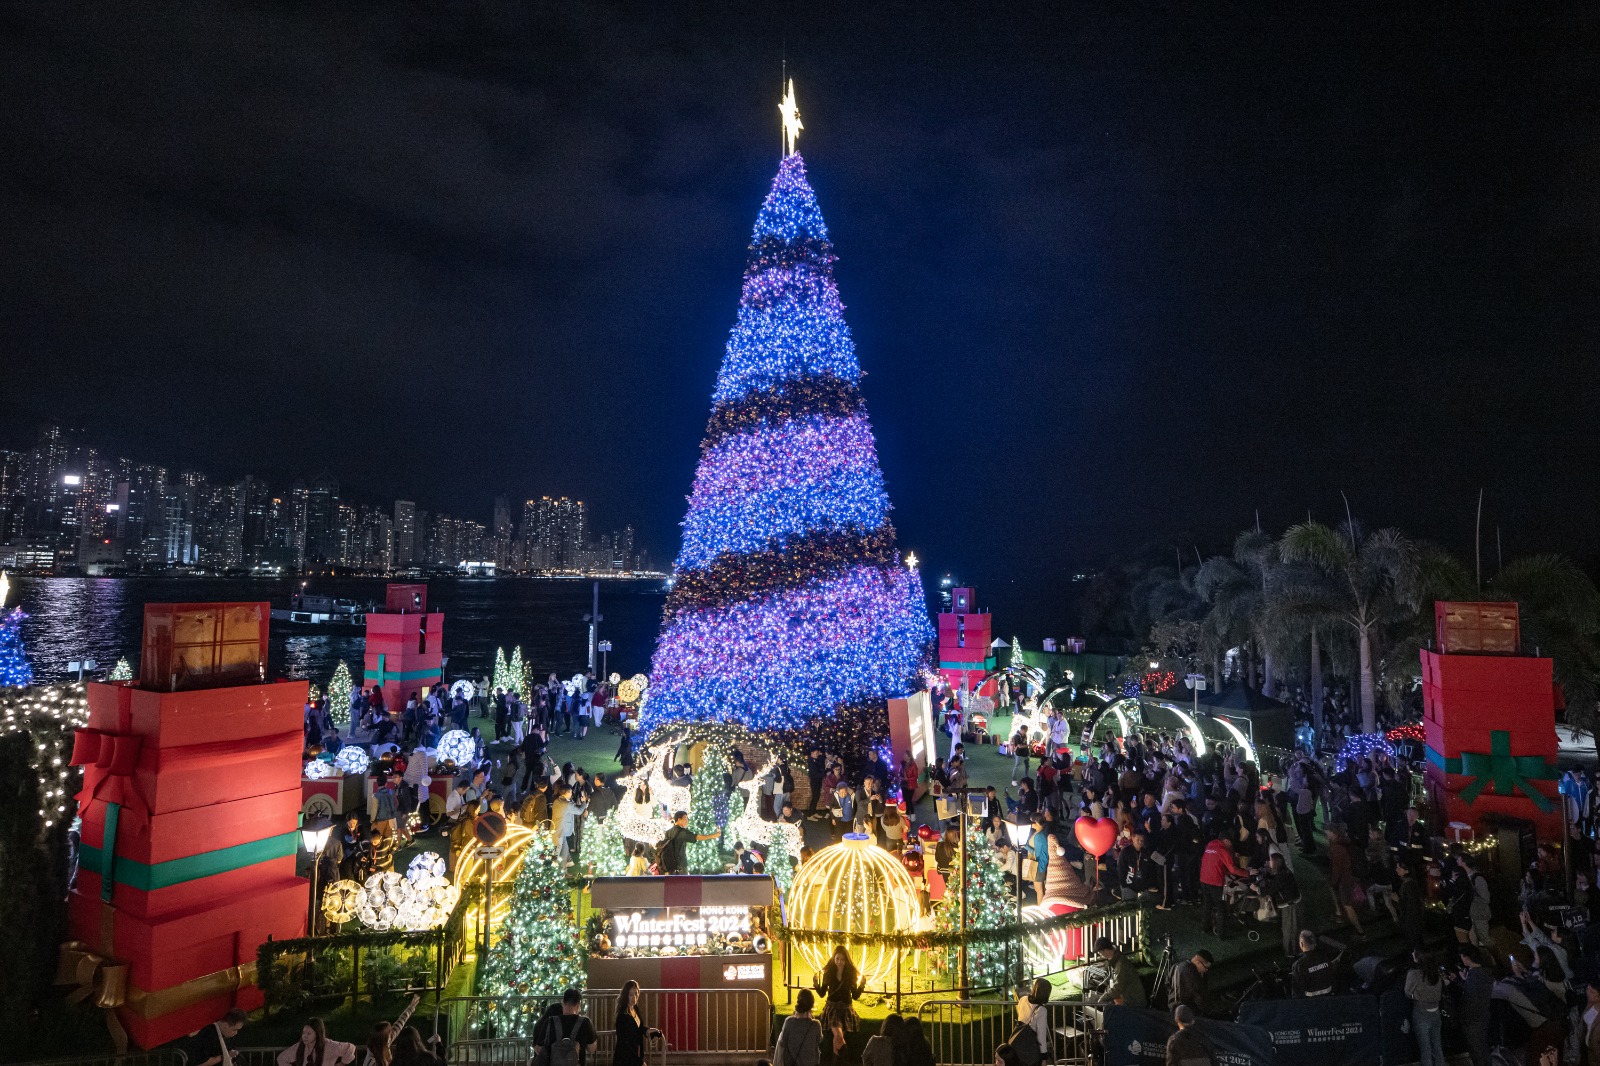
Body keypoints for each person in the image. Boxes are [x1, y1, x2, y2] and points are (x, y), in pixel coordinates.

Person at [817, 945, 864, 1060]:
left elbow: (855, 995)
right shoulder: (829, 973)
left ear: (846, 960)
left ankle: (836, 1060)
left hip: (846, 1009)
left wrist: (862, 985)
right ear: (834, 958)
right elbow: (822, 993)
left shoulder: (850, 974)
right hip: (832, 1009)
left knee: (837, 1038)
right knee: (838, 1035)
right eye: (837, 959)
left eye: (842, 959)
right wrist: (816, 985)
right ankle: (845, 1059)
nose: (839, 962)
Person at [534, 988, 597, 1066]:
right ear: (579, 1004)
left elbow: (538, 1048)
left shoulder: (550, 1021)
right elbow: (592, 1049)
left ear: (563, 1002)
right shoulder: (585, 1022)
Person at [1404, 950, 1444, 1066]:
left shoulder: (1414, 974)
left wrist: (1417, 996)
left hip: (1421, 1014)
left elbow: (1407, 993)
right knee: (1437, 1047)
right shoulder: (1437, 972)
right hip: (1436, 1013)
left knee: (1425, 1050)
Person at [1457, 946, 1493, 1066]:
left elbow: (1470, 999)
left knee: (1478, 1051)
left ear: (1467, 958)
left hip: (1473, 1020)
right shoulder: (1485, 972)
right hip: (1484, 1016)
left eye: (1462, 957)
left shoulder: (1474, 975)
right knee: (1483, 1048)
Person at [1262, 852, 1302, 958]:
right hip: (1294, 902)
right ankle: (1297, 949)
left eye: (1270, 860)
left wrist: (1256, 889)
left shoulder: (1281, 876)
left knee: (1289, 928)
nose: (1268, 862)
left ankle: (1291, 952)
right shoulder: (1285, 872)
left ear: (1275, 863)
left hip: (1290, 905)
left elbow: (1270, 889)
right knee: (1294, 927)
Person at [612, 980, 659, 1066]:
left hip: (634, 1054)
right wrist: (639, 1062)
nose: (634, 997)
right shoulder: (622, 1016)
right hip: (625, 1059)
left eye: (636, 994)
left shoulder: (634, 1008)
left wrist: (647, 1031)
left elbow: (638, 1027)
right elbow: (624, 1044)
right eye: (631, 995)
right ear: (625, 995)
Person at [657, 811, 718, 875]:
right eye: (685, 818)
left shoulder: (668, 832)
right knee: (684, 884)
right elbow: (697, 837)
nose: (687, 820)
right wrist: (713, 836)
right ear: (679, 819)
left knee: (671, 884)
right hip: (680, 865)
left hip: (669, 865)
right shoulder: (682, 832)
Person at [773, 988, 823, 1066]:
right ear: (812, 1005)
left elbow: (783, 1042)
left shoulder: (788, 1022)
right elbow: (819, 1040)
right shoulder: (816, 1025)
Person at [1092, 936, 1147, 1007]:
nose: (1100, 955)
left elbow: (1118, 986)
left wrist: (1104, 998)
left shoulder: (1121, 963)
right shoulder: (1114, 960)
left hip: (1133, 1002)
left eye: (1100, 952)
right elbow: (1112, 979)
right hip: (1127, 999)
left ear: (1105, 950)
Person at [277, 1019, 357, 1066]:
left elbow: (350, 1047)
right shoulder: (300, 1046)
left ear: (317, 1033)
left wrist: (342, 1063)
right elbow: (281, 1058)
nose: (305, 1036)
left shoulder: (329, 1045)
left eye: (309, 1033)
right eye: (303, 1033)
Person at [1016, 978, 1053, 1064]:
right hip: (1031, 1047)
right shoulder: (1041, 1010)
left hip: (1018, 1042)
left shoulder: (1023, 999)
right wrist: (1044, 1057)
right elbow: (1041, 1036)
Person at [1291, 930, 1338, 998]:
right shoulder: (1325, 957)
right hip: (1330, 998)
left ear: (1301, 944)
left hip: (1311, 1003)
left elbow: (1297, 992)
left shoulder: (1299, 965)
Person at [1169, 950, 1212, 1016]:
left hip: (1173, 1005)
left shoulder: (1176, 966)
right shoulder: (1192, 973)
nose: (1206, 970)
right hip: (1186, 1011)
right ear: (1198, 963)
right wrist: (1208, 1011)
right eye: (1206, 968)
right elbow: (1197, 995)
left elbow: (1167, 983)